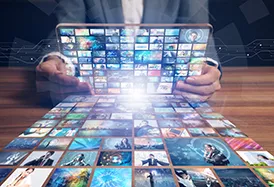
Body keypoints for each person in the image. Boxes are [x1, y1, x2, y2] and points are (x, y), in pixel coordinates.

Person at [36, 0, 221, 104]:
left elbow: (196, 29)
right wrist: (57, 60)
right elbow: (67, 25)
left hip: (166, 94)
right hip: (96, 94)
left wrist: (204, 67)